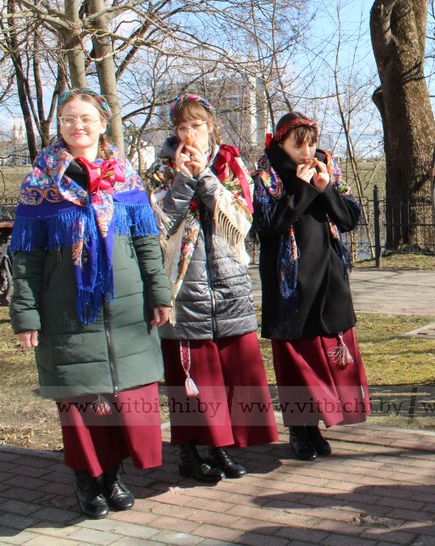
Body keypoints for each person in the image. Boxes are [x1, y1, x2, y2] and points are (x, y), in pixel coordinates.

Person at [10, 89, 173, 519]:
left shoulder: (125, 179)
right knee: (81, 405)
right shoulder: (41, 182)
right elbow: (25, 258)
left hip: (126, 311)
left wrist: (159, 294)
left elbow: (146, 244)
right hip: (67, 313)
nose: (77, 126)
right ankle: (87, 479)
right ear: (60, 126)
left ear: (103, 123)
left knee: (124, 403)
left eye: (86, 118)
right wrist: (25, 315)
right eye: (68, 119)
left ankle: (112, 476)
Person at [147, 94, 278, 484]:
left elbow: (242, 219)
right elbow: (157, 225)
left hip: (227, 283)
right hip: (184, 287)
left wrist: (204, 175)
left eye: (196, 125)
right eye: (182, 127)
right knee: (191, 377)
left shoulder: (229, 164)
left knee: (229, 374)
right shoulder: (160, 170)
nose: (189, 133)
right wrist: (184, 179)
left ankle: (220, 448)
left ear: (211, 127)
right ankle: (189, 453)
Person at [253, 112, 369, 460]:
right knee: (296, 364)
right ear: (281, 144)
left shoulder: (325, 167)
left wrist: (325, 189)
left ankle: (316, 425)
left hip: (327, 278)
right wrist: (303, 191)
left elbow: (349, 218)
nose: (307, 152)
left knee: (327, 356)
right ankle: (299, 430)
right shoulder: (267, 175)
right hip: (288, 285)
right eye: (298, 145)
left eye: (312, 144)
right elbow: (267, 226)